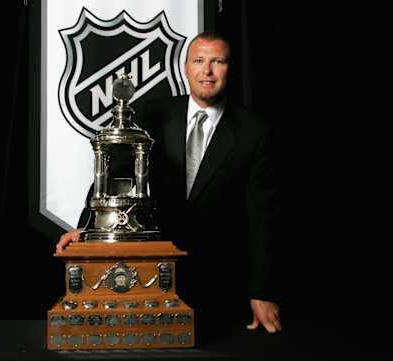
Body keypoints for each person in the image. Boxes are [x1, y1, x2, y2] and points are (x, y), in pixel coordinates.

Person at [56, 31, 282, 339]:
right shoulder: (153, 114)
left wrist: (262, 291)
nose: (208, 71)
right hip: (154, 267)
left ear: (230, 68)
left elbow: (262, 217)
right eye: (199, 61)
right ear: (185, 67)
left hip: (222, 280)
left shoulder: (254, 132)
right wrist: (87, 229)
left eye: (218, 61)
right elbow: (113, 176)